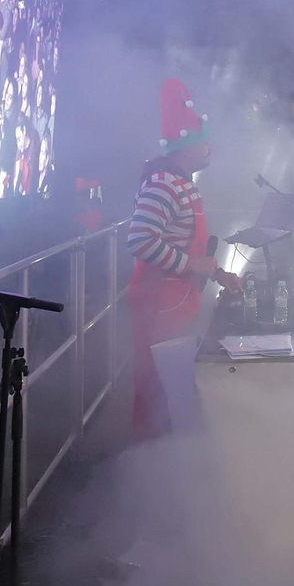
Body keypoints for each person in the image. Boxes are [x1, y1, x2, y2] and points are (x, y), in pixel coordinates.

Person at [126, 80, 240, 440]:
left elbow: (184, 245)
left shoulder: (181, 181)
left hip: (177, 302)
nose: (210, 147)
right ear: (187, 145)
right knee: (155, 386)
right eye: (205, 141)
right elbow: (140, 240)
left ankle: (165, 455)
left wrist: (217, 272)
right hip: (159, 304)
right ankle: (146, 464)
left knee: (170, 386)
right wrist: (194, 267)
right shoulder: (163, 182)